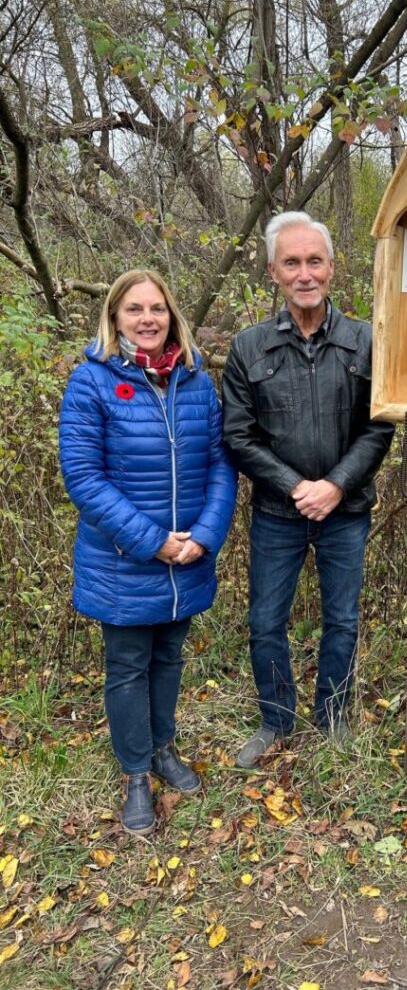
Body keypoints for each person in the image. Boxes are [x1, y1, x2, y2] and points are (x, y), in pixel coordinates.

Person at [60, 269, 237, 835]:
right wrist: (152, 540)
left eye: (156, 308)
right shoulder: (91, 382)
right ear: (114, 317)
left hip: (187, 558)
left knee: (169, 658)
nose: (147, 319)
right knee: (129, 665)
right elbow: (84, 478)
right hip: (123, 561)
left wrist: (204, 536)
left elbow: (220, 465)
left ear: (171, 314)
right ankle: (137, 773)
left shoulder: (195, 381)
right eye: (134, 309)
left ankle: (163, 748)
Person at [222, 211, 394, 766]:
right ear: (273, 271)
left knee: (341, 618)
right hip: (278, 511)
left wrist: (337, 486)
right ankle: (276, 720)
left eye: (313, 261)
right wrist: (298, 487)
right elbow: (238, 434)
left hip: (346, 511)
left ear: (332, 268)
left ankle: (333, 716)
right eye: (291, 262)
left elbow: (380, 425)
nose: (304, 273)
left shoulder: (366, 341)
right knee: (265, 621)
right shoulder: (249, 348)